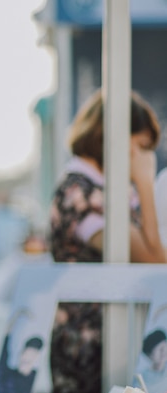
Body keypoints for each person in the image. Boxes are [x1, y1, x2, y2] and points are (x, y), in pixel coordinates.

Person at [49, 89, 167, 393]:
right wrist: (144, 182)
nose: (144, 158)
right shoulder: (80, 191)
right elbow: (153, 257)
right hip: (86, 345)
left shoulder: (107, 189)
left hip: (119, 337)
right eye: (140, 147)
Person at [0, 309, 44, 393]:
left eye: (31, 356)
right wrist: (19, 314)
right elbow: (6, 335)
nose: (26, 359)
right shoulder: (5, 372)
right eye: (25, 355)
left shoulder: (35, 379)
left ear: (36, 357)